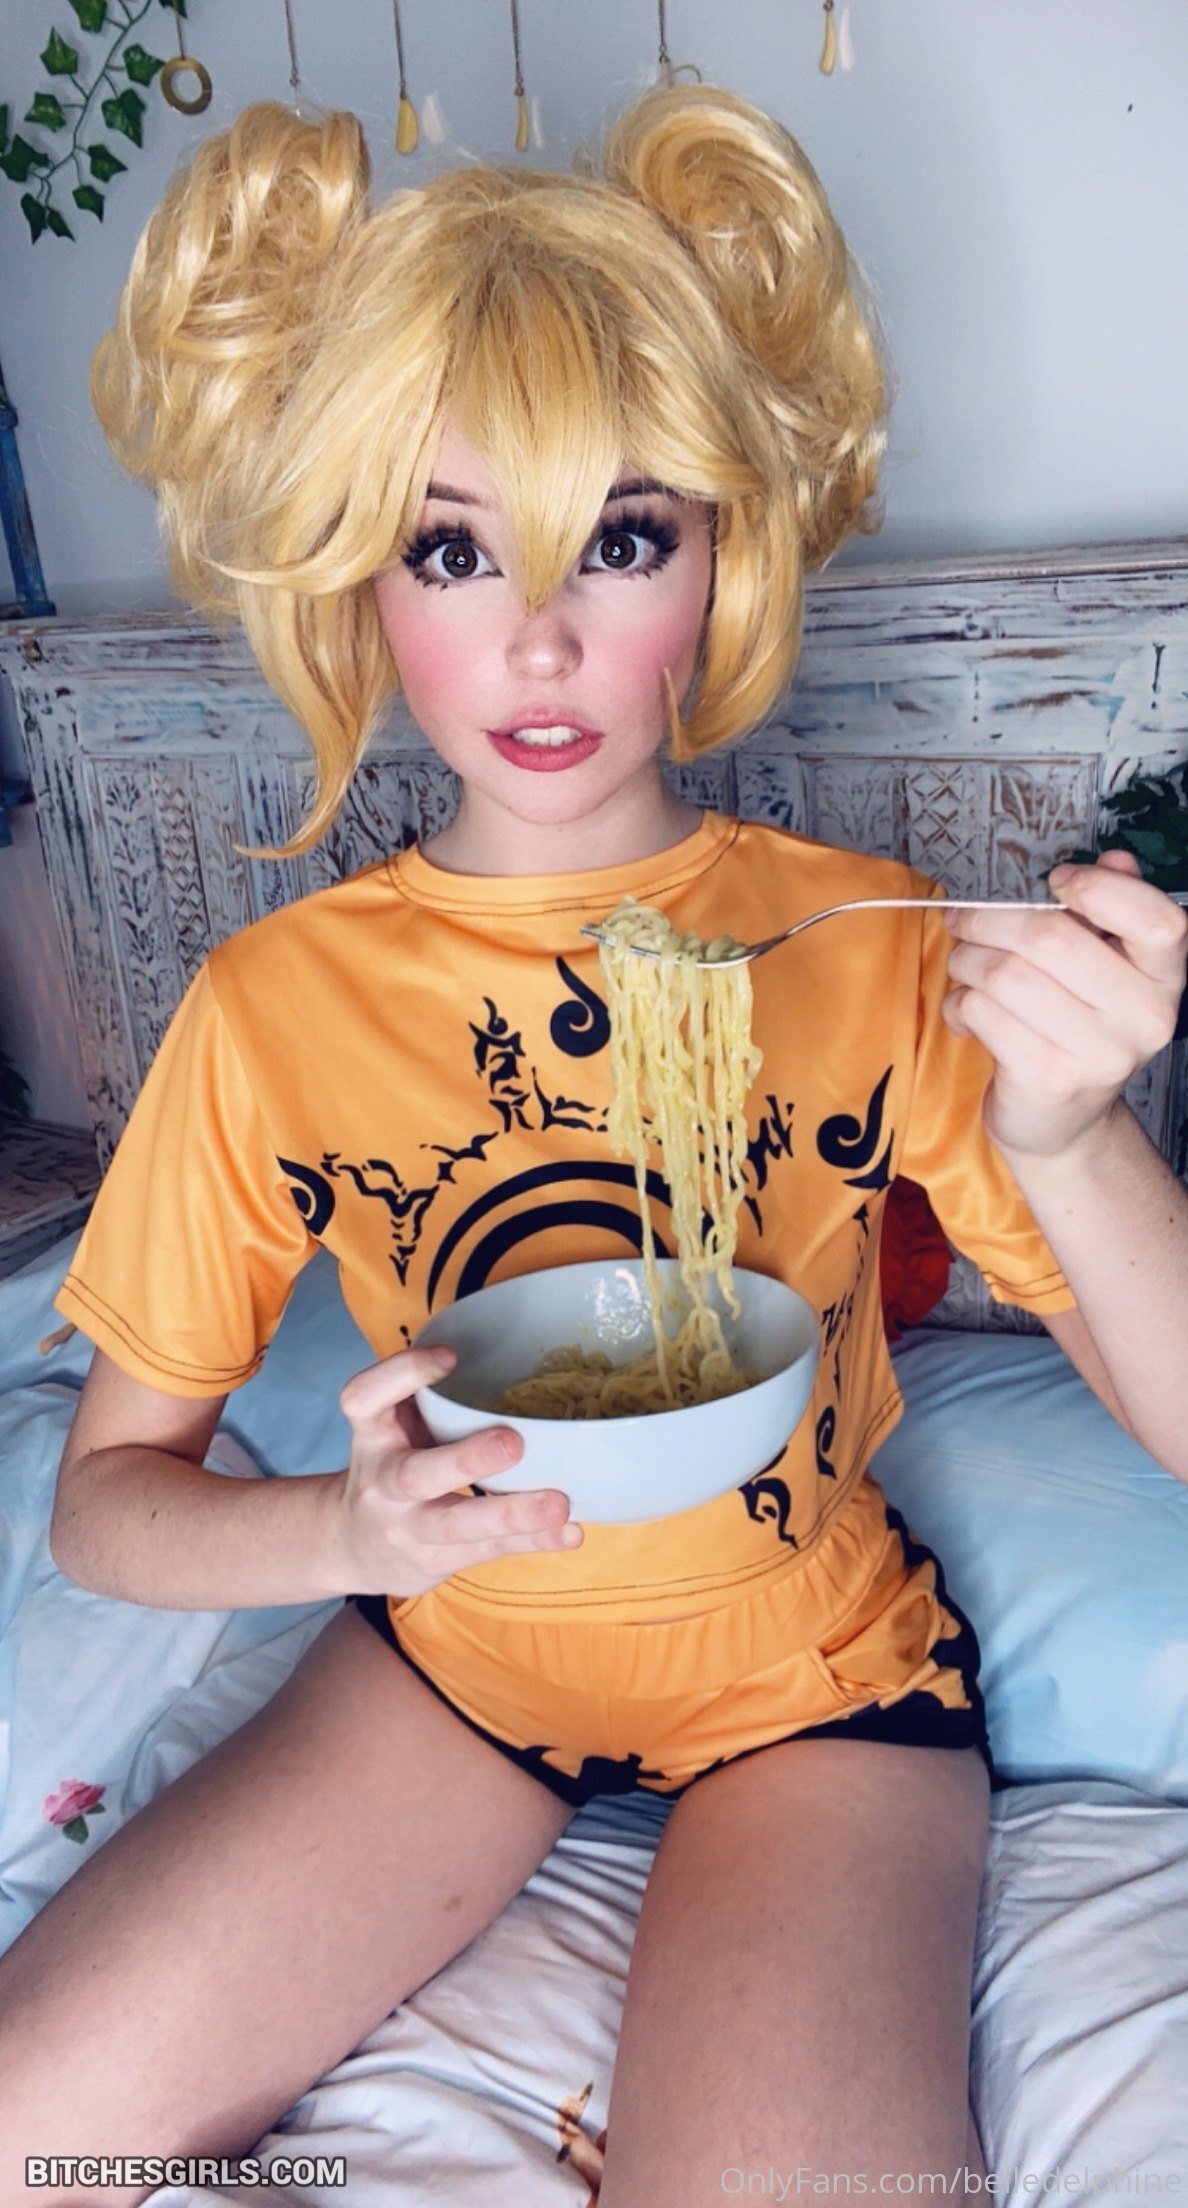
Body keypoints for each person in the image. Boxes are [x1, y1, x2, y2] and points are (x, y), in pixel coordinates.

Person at [1, 82, 1185, 2208]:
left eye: (621, 538)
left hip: (815, 1692)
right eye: (450, 547)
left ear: (720, 557)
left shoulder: (861, 945)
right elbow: (106, 1510)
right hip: (451, 1666)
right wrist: (349, 1532)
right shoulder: (275, 1005)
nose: (537, 638)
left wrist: (1079, 1138)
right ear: (360, 581)